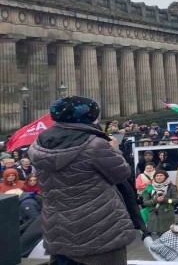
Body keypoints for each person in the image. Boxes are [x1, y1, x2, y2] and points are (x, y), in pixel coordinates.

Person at [27, 96, 138, 264]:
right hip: (99, 226)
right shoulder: (95, 144)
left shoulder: (39, 144)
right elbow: (121, 174)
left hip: (59, 226)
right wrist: (114, 149)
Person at [142, 169, 178, 236]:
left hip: (167, 215)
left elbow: (176, 200)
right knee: (156, 238)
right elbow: (145, 202)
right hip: (154, 215)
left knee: (168, 235)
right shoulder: (149, 188)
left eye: (161, 175)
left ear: (165, 177)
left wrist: (166, 200)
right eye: (157, 176)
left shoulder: (171, 187)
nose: (159, 177)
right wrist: (155, 201)